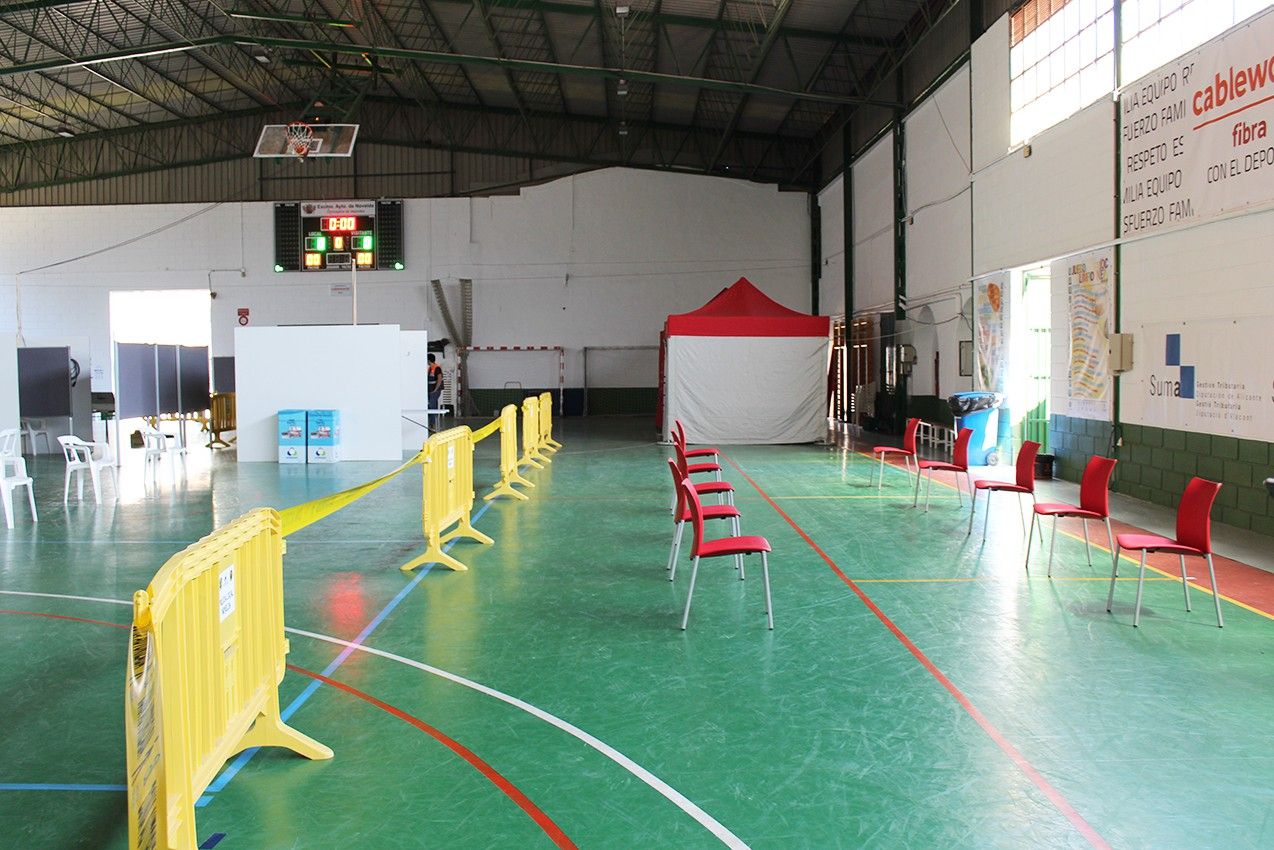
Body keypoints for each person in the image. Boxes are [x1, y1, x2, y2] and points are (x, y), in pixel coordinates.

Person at [427, 354, 444, 429]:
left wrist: (435, 390)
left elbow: (439, 379)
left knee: (431, 406)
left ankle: (433, 424)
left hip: (434, 391)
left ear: (429, 360)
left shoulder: (437, 368)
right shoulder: (430, 368)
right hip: (430, 390)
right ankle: (432, 423)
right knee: (432, 406)